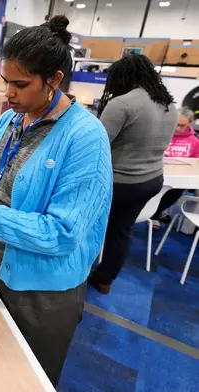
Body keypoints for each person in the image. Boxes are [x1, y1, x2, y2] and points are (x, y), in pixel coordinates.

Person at [0, 16, 112, 387]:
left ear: (54, 79)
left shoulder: (85, 137)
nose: (9, 93)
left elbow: (63, 234)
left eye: (21, 84)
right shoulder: (9, 121)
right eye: (6, 81)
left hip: (41, 289)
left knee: (27, 379)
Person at [88, 54, 177, 294]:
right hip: (151, 180)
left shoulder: (122, 104)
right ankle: (104, 279)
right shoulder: (168, 104)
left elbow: (97, 144)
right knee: (122, 230)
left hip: (118, 182)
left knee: (89, 226)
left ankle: (77, 274)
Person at [151, 107, 199, 227]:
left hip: (178, 180)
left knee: (176, 190)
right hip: (156, 175)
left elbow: (196, 162)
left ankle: (154, 213)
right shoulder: (160, 135)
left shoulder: (194, 141)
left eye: (183, 125)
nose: (178, 128)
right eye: (176, 124)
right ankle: (153, 213)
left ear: (189, 124)